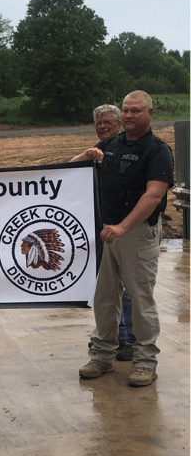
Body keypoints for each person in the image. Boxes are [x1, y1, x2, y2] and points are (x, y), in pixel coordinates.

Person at [77, 90, 174, 387]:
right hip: (106, 232)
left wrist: (122, 227)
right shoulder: (109, 144)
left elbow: (153, 195)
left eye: (136, 110)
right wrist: (85, 156)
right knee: (104, 298)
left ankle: (145, 362)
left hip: (136, 233)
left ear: (150, 113)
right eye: (126, 110)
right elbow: (70, 173)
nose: (130, 115)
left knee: (140, 299)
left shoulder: (157, 150)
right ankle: (103, 355)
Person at [72, 104, 136, 361]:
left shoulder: (130, 151)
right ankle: (111, 335)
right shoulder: (95, 152)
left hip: (128, 228)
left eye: (108, 122)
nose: (103, 127)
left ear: (119, 124)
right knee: (106, 288)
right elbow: (66, 171)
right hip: (99, 229)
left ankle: (129, 339)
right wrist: (85, 156)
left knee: (131, 289)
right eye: (99, 123)